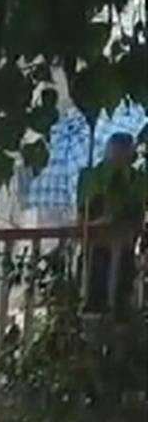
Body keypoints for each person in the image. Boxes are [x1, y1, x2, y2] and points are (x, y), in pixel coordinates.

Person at [80, 132, 145, 315]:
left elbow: (138, 213)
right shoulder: (92, 177)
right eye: (115, 150)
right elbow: (82, 216)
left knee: (122, 300)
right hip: (97, 247)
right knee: (96, 298)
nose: (119, 155)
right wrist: (96, 222)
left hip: (125, 246)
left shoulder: (136, 179)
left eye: (123, 151)